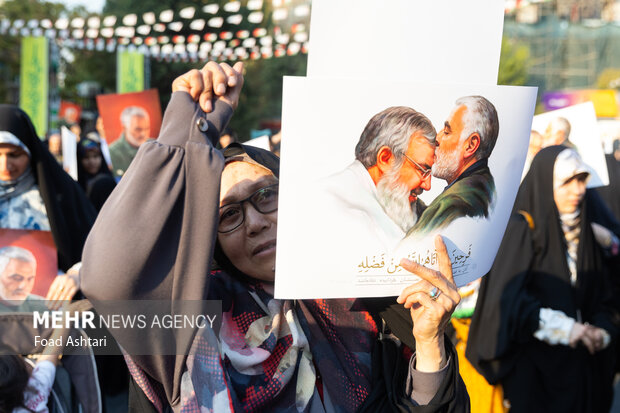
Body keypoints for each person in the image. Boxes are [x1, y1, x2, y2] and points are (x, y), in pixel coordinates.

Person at [81, 62, 469, 412]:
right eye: (228, 215)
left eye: (267, 196)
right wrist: (186, 132)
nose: (254, 222)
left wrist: (430, 345)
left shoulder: (366, 298)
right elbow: (109, 276)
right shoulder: (194, 321)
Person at [466, 146, 618, 413]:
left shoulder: (586, 230)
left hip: (582, 376)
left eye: (581, 179)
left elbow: (604, 294)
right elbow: (507, 304)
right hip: (536, 378)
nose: (578, 190)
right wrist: (567, 329)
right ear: (547, 182)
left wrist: (601, 330)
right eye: (567, 182)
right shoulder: (522, 228)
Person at [0, 105, 96, 306]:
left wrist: (77, 274)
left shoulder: (59, 194)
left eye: (14, 155)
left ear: (30, 151)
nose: (5, 166)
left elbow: (97, 247)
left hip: (46, 321)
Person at [317, 107, 436, 253]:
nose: (428, 185)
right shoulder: (331, 202)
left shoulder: (401, 204)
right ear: (386, 159)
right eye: (422, 170)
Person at [408, 96, 499, 236]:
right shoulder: (477, 187)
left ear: (471, 145)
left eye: (446, 132)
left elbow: (409, 247)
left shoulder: (457, 203)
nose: (437, 139)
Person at [108, 106, 151, 178]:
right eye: (138, 129)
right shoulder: (113, 151)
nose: (143, 134)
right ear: (124, 128)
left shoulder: (156, 144)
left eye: (147, 128)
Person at [76, 135, 116, 212]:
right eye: (86, 158)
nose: (92, 161)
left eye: (95, 156)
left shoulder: (106, 182)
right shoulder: (79, 183)